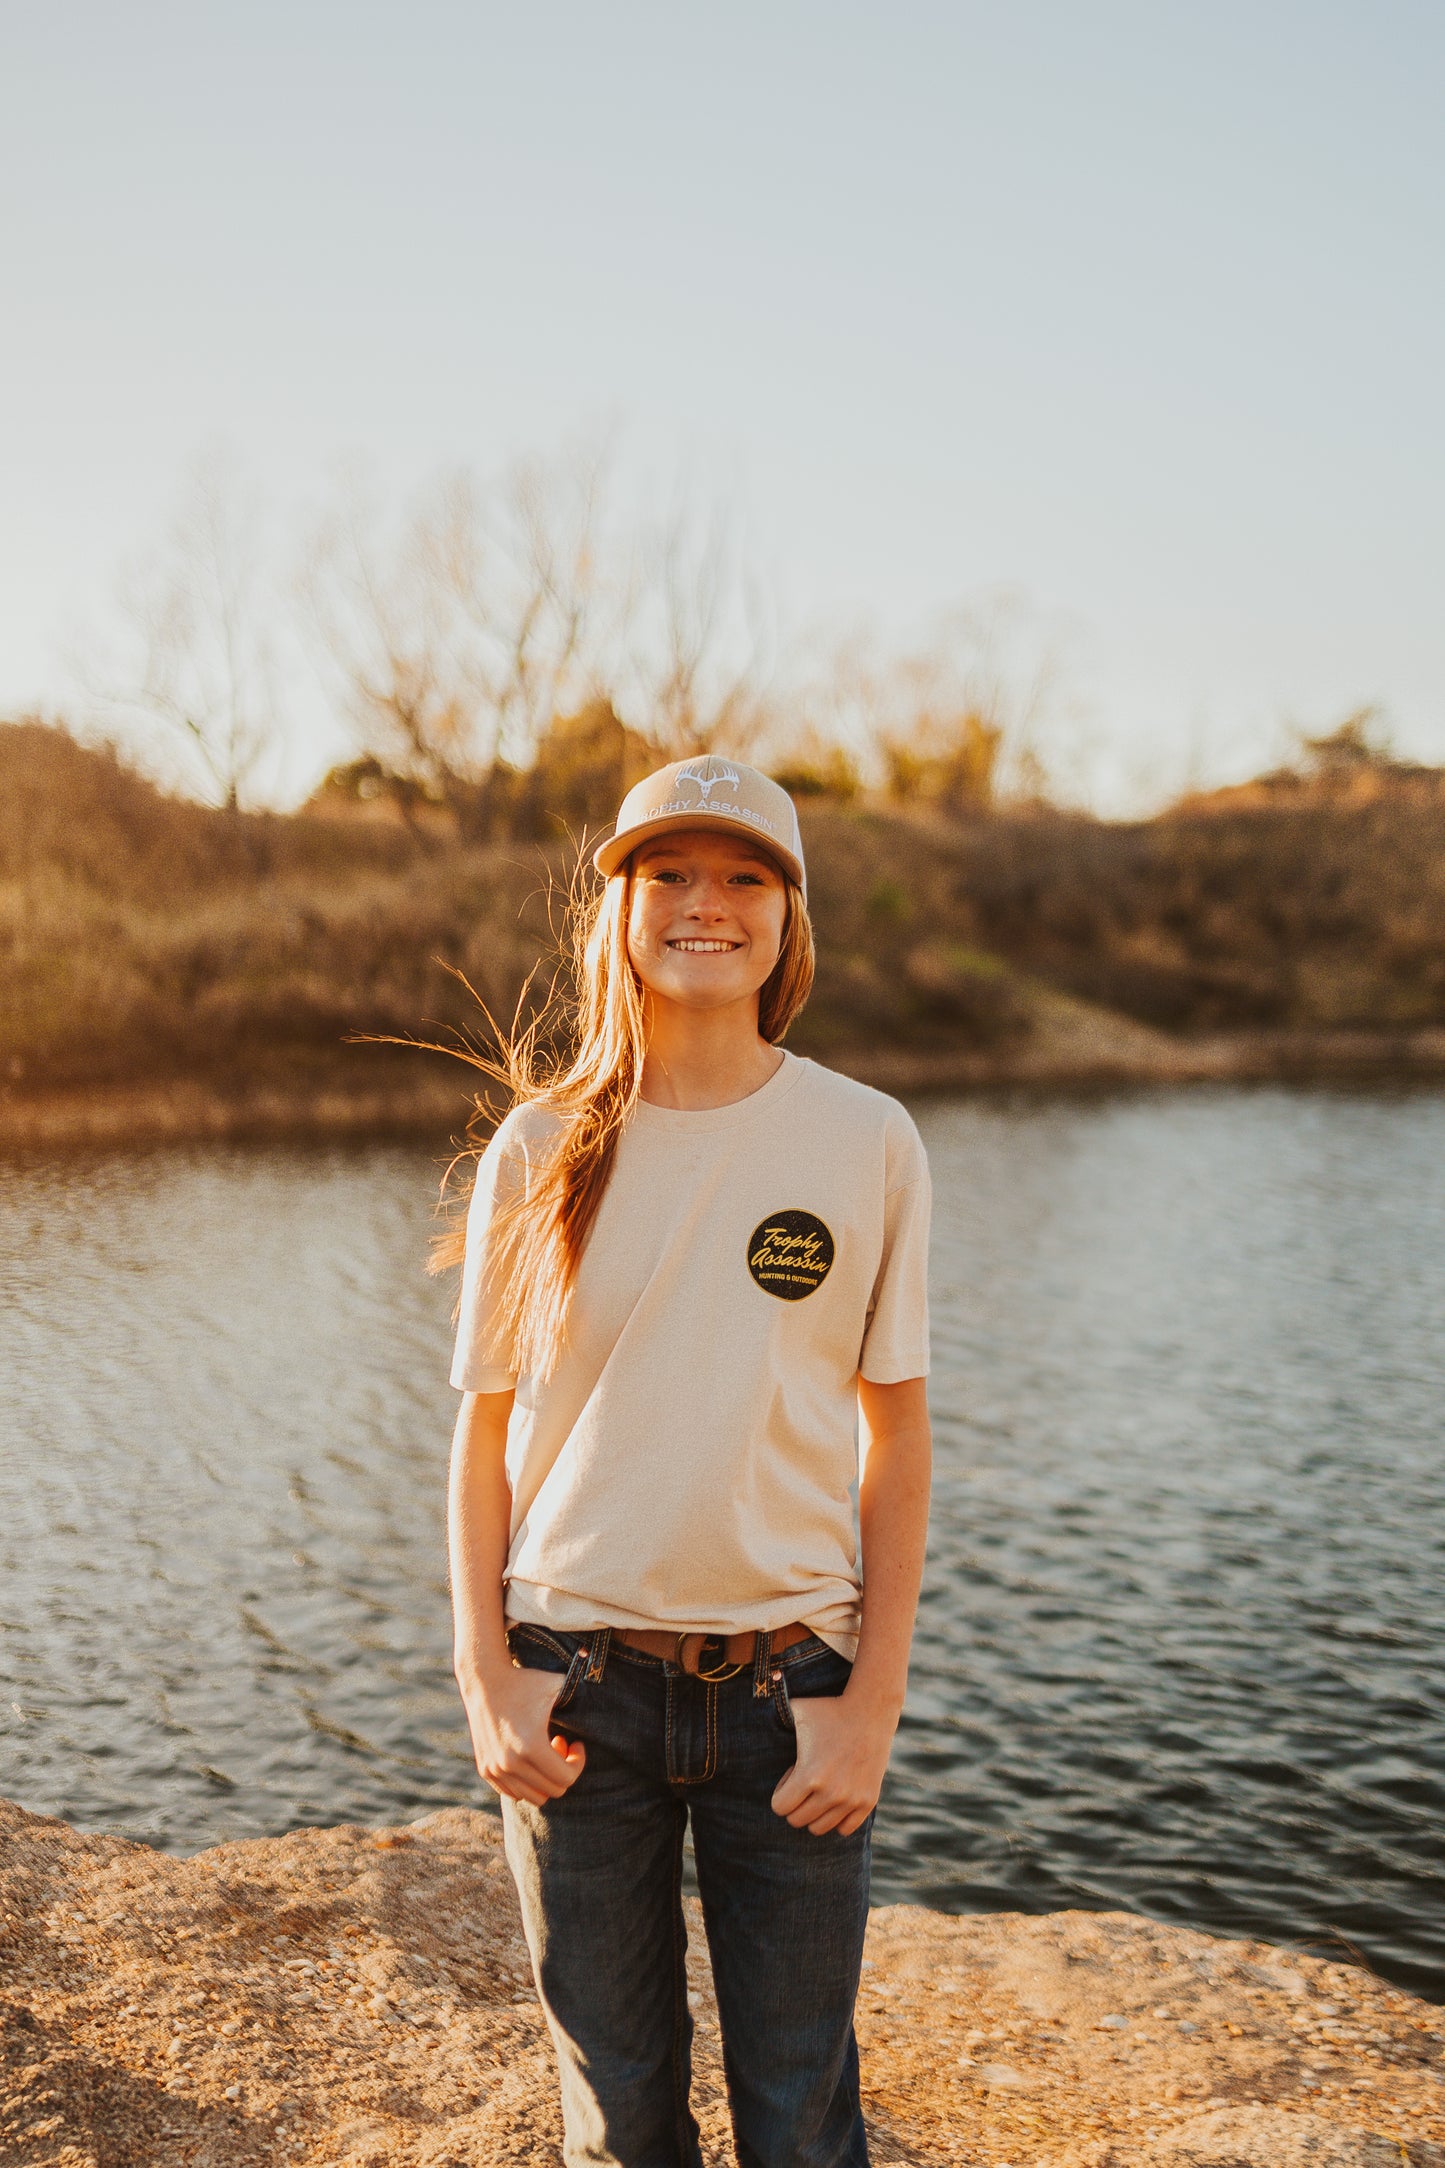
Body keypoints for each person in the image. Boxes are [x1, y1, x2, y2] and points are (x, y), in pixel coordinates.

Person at [444, 755, 932, 2168]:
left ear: (788, 916)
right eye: (667, 873)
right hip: (577, 1693)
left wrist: (871, 1707)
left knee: (798, 2123)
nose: (702, 905)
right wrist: (490, 1681)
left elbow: (895, 1440)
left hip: (793, 1701)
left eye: (742, 876)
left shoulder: (864, 1139)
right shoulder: (539, 1147)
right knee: (618, 2123)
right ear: (617, 909)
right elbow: (480, 1439)